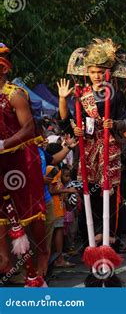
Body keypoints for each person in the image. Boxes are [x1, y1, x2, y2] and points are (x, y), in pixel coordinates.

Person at [57, 38, 126, 247]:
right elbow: (66, 123)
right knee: (90, 191)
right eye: (93, 72)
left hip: (109, 146)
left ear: (107, 72)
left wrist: (113, 123)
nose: (97, 76)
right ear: (87, 73)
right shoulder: (82, 94)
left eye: (100, 71)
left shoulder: (116, 95)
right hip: (88, 148)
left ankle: (110, 232)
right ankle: (92, 232)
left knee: (110, 190)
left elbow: (125, 123)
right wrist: (63, 101)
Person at [0, 43, 47, 286]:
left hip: (20, 161)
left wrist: (3, 144)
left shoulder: (14, 94)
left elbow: (29, 129)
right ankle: (4, 260)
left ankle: (42, 259)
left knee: (30, 214)